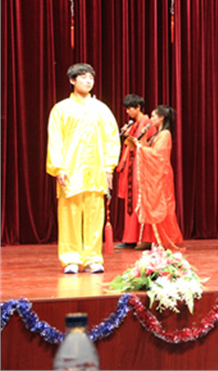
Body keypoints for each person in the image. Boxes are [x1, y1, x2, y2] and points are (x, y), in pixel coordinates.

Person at [46, 63, 121, 274]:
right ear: (72, 80)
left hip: (96, 170)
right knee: (69, 215)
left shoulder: (101, 109)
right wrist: (58, 167)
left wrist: (109, 166)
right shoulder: (61, 109)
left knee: (94, 215)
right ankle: (70, 258)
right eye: (83, 77)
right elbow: (55, 139)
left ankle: (92, 258)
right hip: (70, 170)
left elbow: (111, 138)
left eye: (91, 78)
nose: (88, 81)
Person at [124, 105, 184, 251]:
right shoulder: (158, 134)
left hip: (161, 176)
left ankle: (166, 239)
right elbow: (150, 150)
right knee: (151, 204)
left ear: (161, 118)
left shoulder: (165, 134)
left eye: (153, 116)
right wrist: (142, 140)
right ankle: (151, 239)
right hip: (155, 175)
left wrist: (140, 147)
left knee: (163, 206)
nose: (151, 119)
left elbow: (157, 155)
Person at [114, 94, 156, 249]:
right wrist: (127, 134)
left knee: (139, 201)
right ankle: (130, 238)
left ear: (138, 107)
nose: (127, 112)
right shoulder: (133, 124)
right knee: (130, 203)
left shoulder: (147, 123)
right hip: (131, 166)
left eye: (130, 108)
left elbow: (149, 144)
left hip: (141, 167)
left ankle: (143, 238)